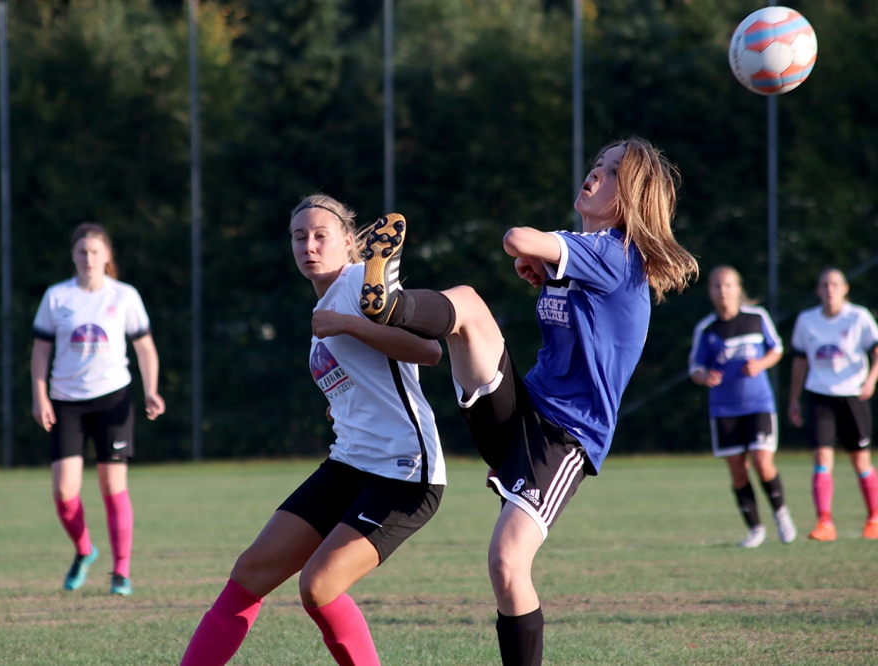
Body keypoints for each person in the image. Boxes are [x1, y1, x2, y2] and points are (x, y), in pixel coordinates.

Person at [359, 137, 699, 666]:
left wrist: (536, 252)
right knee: (468, 305)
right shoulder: (588, 257)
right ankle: (389, 301)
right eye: (596, 165)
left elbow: (517, 237)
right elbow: (543, 264)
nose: (594, 175)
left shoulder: (615, 252)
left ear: (631, 196)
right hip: (522, 408)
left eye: (610, 173)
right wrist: (543, 267)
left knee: (507, 563)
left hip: (565, 436)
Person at [179, 195, 446, 666]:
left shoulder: (363, 285)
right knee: (249, 574)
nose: (309, 245)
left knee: (319, 587)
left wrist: (347, 324)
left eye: (321, 235)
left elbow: (429, 351)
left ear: (349, 241)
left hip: (406, 471)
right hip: (350, 462)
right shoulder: (325, 303)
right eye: (299, 237)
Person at [31, 223, 165, 596]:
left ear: (107, 256)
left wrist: (151, 390)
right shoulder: (57, 297)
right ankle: (84, 550)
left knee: (112, 486)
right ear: (73, 256)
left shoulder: (125, 296)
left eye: (94, 252)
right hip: (65, 402)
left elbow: (145, 348)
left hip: (113, 399)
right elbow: (41, 351)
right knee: (63, 491)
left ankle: (121, 572)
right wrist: (39, 396)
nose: (88, 258)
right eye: (81, 252)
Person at [688, 266, 796, 547]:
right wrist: (703, 376)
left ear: (738, 289)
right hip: (724, 408)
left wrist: (760, 364)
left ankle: (781, 514)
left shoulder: (757, 317)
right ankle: (755, 529)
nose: (723, 291)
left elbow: (777, 349)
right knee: (737, 468)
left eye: (728, 285)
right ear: (710, 292)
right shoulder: (706, 328)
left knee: (762, 461)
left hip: (759, 403)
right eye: (717, 286)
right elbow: (695, 368)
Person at [788, 267, 878, 541]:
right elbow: (800, 360)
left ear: (845, 289)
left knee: (860, 458)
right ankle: (824, 522)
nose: (830, 290)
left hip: (853, 395)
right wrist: (793, 398)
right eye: (824, 285)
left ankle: (874, 519)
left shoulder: (858, 317)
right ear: (818, 290)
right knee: (821, 456)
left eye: (835, 284)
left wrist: (872, 380)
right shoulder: (807, 320)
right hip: (819, 395)